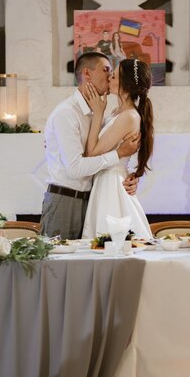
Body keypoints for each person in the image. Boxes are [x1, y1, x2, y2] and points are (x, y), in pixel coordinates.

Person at [40, 52, 140, 239]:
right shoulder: (67, 113)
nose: (110, 76)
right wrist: (118, 154)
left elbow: (112, 148)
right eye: (106, 70)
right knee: (57, 265)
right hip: (66, 200)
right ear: (87, 73)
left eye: (112, 73)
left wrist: (129, 174)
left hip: (92, 199)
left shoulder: (98, 113)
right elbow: (76, 169)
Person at [81, 58, 154, 239]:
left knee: (111, 240)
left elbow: (92, 152)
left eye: (113, 76)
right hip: (105, 179)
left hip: (112, 184)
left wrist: (98, 112)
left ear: (125, 84)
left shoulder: (128, 116)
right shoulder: (117, 113)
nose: (109, 78)